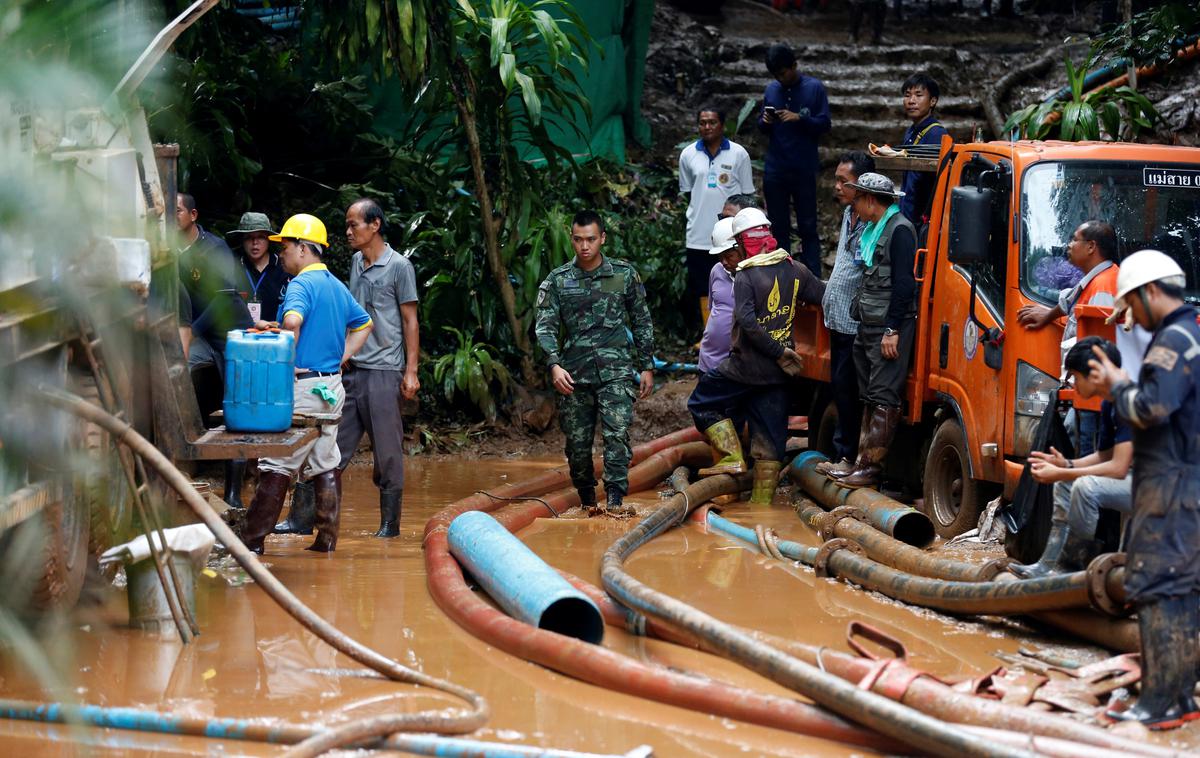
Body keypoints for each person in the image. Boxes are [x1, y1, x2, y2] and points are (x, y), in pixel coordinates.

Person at [1087, 249, 1200, 730]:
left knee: (1156, 589)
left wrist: (1114, 383)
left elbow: (1151, 407)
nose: (1129, 313)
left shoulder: (1173, 340)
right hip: (1184, 480)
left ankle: (1160, 703)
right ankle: (1180, 697)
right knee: (1181, 590)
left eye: (1133, 302)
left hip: (1170, 484)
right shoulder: (1190, 330)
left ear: (1152, 291)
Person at [241, 214, 373, 555]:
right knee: (326, 460)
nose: (282, 255)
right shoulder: (335, 284)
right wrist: (341, 357)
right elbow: (364, 324)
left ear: (302, 248)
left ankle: (251, 541)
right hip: (331, 388)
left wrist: (286, 341)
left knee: (277, 463)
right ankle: (326, 540)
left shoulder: (300, 284)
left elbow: (294, 319)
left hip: (303, 389)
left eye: (285, 247)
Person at [689, 207, 825, 505]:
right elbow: (823, 297)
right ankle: (760, 511)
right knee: (770, 444)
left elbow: (747, 323)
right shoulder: (795, 269)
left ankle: (731, 455)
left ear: (744, 242)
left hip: (744, 367)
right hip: (778, 376)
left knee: (700, 401)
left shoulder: (747, 276)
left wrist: (776, 351)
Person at [534, 211, 655, 517]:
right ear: (571, 239)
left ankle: (615, 501)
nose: (584, 246)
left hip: (616, 372)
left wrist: (647, 365)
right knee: (577, 446)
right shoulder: (558, 280)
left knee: (617, 436)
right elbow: (545, 326)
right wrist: (554, 364)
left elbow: (641, 320)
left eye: (590, 239)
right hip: (574, 375)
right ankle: (588, 500)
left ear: (602, 238)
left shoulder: (624, 275)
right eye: (578, 240)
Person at [333, 198, 420, 538]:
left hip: (386, 370)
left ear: (375, 226)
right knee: (333, 447)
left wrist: (411, 371)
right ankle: (310, 517)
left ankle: (390, 525)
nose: (349, 231)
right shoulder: (356, 262)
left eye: (354, 224)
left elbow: (410, 320)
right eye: (347, 224)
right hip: (354, 368)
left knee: (387, 451)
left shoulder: (400, 267)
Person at [823, 174, 916, 489]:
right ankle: (861, 463)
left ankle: (870, 468)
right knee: (870, 395)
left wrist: (893, 329)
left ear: (871, 201)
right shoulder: (874, 230)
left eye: (858, 200)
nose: (855, 206)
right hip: (868, 322)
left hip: (887, 328)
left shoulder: (900, 230)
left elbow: (904, 284)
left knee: (884, 394)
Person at [1011, 337, 1132, 578]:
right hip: (1137, 480)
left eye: (1076, 377)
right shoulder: (1109, 404)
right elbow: (1106, 455)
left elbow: (1118, 468)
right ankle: (1049, 564)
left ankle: (1072, 568)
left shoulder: (1128, 400)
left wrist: (1065, 472)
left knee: (1085, 487)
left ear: (1095, 373)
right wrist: (1067, 465)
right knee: (1067, 484)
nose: (1073, 385)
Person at [176, 192, 254, 508]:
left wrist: (191, 330)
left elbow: (223, 297)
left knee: (235, 408)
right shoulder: (169, 251)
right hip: (199, 336)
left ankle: (233, 493)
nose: (172, 217)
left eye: (178, 211)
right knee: (179, 373)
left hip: (228, 333)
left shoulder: (214, 247)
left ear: (193, 215)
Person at [1018, 220, 1119, 456]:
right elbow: (1070, 300)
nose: (1069, 245)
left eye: (1075, 239)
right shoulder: (1096, 278)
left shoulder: (1104, 286)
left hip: (1093, 398)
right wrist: (1048, 315)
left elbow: (1100, 346)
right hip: (1085, 393)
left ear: (1091, 246)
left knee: (1083, 450)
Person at [815, 152, 875, 477]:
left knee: (850, 390)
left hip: (854, 323)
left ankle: (848, 457)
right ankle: (844, 455)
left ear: (861, 185)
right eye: (836, 179)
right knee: (840, 387)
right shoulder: (849, 215)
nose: (836, 186)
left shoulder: (872, 223)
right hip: (837, 319)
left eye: (843, 181)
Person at [679, 107, 755, 339]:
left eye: (712, 122)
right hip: (698, 234)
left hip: (732, 236)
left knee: (737, 281)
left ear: (722, 125)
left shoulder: (738, 154)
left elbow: (747, 195)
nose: (707, 127)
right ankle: (709, 335)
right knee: (703, 286)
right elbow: (687, 192)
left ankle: (736, 334)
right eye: (702, 123)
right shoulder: (688, 154)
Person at [759, 43, 831, 278]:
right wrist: (766, 122)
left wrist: (799, 118)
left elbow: (825, 124)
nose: (780, 79)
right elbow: (762, 127)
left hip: (803, 168)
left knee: (807, 226)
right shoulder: (771, 90)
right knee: (778, 226)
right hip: (775, 168)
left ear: (794, 66)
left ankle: (813, 278)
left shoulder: (814, 88)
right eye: (776, 75)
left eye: (783, 73)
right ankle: (782, 277)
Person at [698, 194, 757, 373]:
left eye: (730, 220)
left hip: (741, 368)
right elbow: (714, 311)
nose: (724, 225)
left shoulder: (762, 274)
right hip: (709, 362)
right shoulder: (717, 269)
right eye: (722, 219)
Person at [897, 74, 948, 226]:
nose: (911, 101)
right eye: (907, 95)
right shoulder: (910, 131)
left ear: (933, 101)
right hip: (907, 211)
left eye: (919, 95)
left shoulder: (936, 134)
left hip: (923, 218)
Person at [228, 212, 289, 327]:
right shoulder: (231, 265)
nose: (255, 243)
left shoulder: (283, 267)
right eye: (249, 237)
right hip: (240, 337)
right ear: (242, 240)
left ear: (269, 240)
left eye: (261, 237)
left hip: (276, 337)